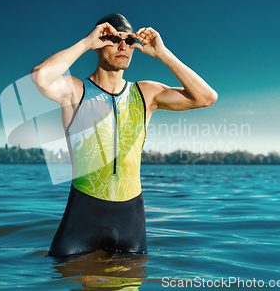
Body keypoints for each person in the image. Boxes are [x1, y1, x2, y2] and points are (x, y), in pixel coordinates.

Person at [31, 13, 217, 257]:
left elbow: (206, 97)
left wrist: (162, 53)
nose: (123, 46)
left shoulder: (145, 93)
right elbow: (40, 78)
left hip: (130, 221)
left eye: (129, 41)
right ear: (99, 44)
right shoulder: (76, 91)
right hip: (82, 218)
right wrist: (86, 42)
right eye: (114, 39)